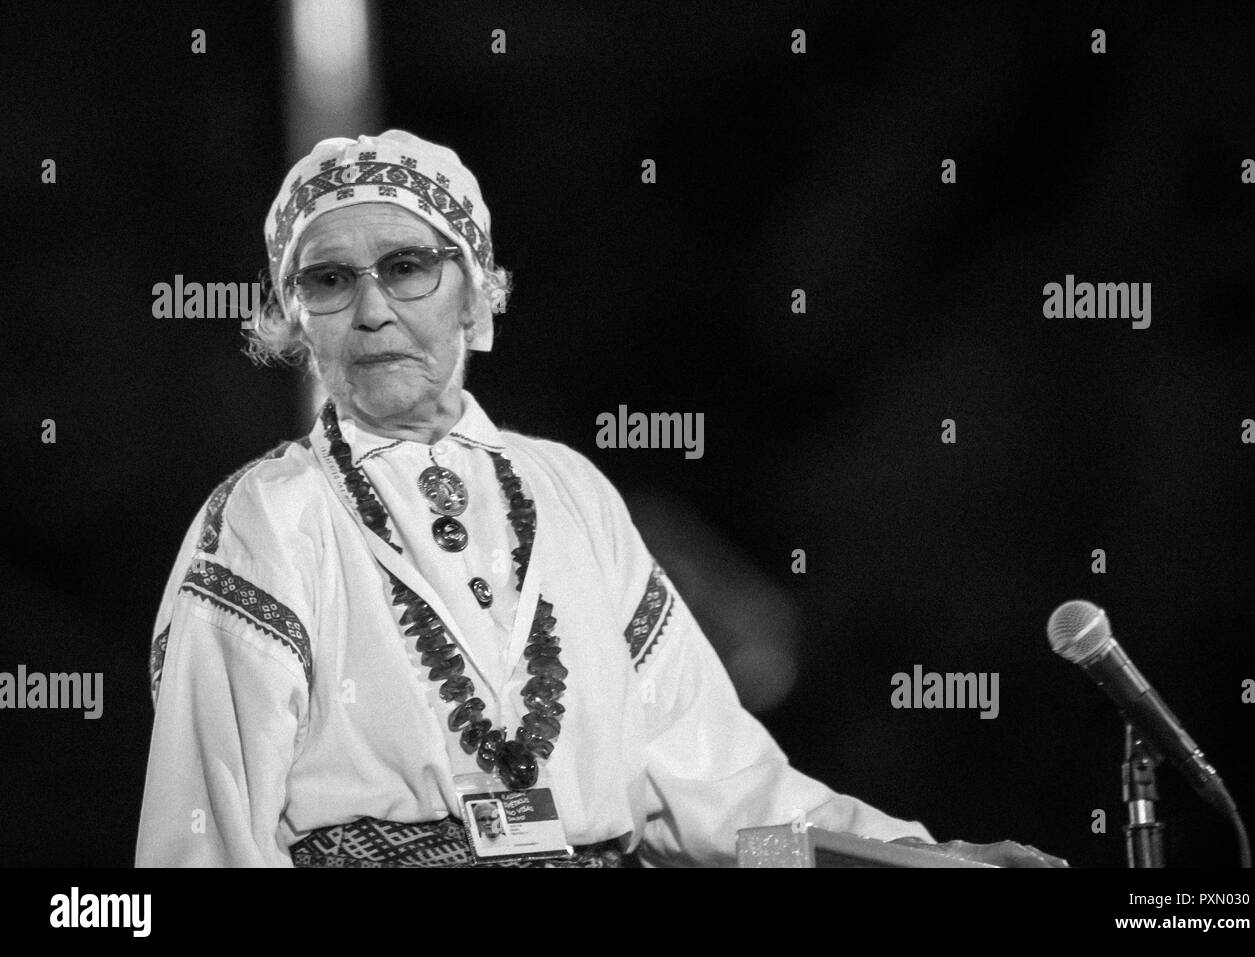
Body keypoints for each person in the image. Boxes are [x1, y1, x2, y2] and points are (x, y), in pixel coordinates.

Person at [136, 130, 1066, 869]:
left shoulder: (572, 494)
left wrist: (916, 857)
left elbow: (723, 814)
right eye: (330, 279)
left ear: (475, 292)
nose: (372, 308)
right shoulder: (268, 519)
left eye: (408, 266)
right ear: (294, 317)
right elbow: (204, 840)